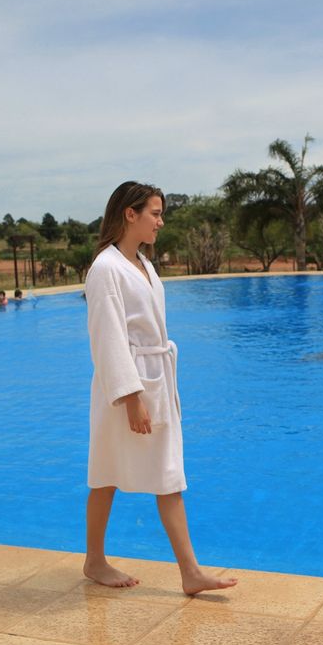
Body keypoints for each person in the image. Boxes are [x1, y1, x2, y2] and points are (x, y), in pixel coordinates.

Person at [83, 181, 237, 595]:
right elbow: (107, 337)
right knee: (105, 473)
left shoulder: (144, 264)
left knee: (169, 474)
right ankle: (95, 561)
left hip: (155, 378)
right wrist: (131, 398)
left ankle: (190, 571)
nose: (161, 221)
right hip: (127, 388)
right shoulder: (106, 268)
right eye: (155, 213)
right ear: (129, 214)